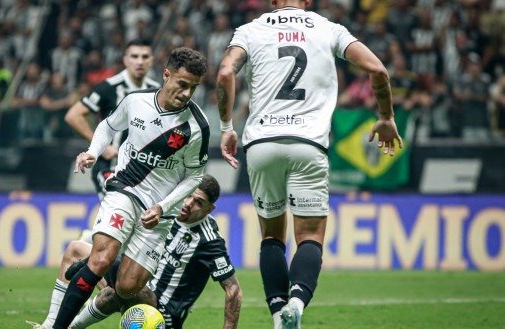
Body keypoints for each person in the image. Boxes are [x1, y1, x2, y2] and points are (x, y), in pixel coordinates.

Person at [215, 1, 403, 328]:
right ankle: (297, 304)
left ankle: (278, 318)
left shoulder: (250, 30)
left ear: (273, 1)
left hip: (262, 143)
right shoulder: (328, 29)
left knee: (272, 237)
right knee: (311, 236)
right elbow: (378, 70)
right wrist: (386, 116)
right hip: (308, 144)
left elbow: (225, 72)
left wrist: (227, 127)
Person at [52, 46, 209, 329]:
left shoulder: (196, 126)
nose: (186, 93)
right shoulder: (135, 101)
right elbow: (108, 127)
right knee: (101, 259)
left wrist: (163, 207)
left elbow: (195, 177)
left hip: (158, 210)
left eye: (193, 88)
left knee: (126, 287)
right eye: (182, 84)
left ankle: (86, 263)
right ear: (166, 75)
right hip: (125, 188)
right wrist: (93, 151)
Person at [34, 175, 242, 329]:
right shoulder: (165, 210)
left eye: (199, 202)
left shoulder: (208, 240)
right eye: (189, 196)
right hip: (138, 289)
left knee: (122, 281)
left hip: (161, 313)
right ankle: (51, 324)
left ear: (209, 210)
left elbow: (233, 290)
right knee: (76, 250)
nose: (188, 203)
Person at [65, 38, 159, 200]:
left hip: (141, 170)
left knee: (137, 222)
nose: (140, 61)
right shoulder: (109, 87)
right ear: (125, 60)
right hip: (110, 167)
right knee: (119, 207)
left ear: (152, 61)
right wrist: (104, 146)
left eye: (145, 57)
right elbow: (73, 115)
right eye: (134, 56)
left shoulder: (156, 90)